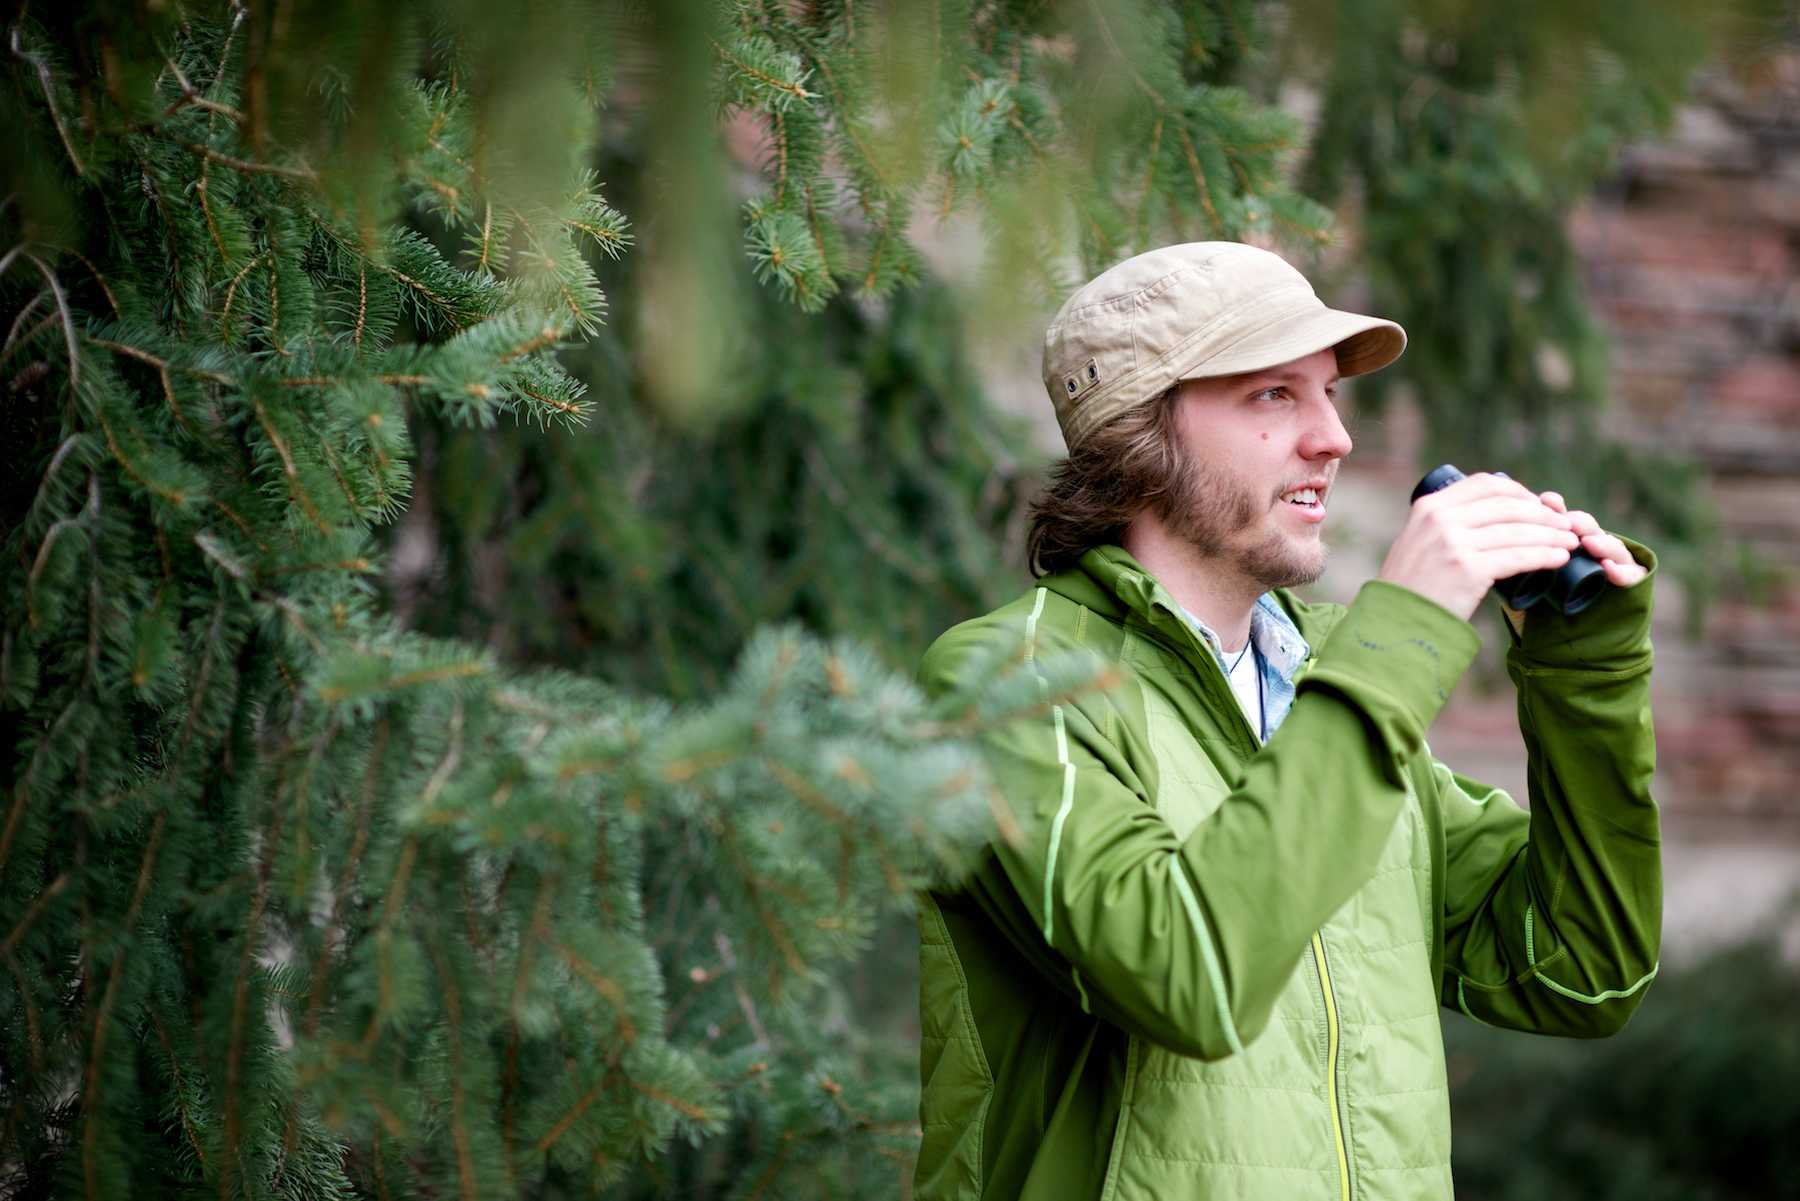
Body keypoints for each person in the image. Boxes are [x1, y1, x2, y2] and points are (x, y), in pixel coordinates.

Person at [913, 242, 1660, 1201]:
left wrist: (1583, 665)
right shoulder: (1011, 680)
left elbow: (1577, 970)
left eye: (1329, 394)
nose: (1333, 438)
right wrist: (1406, 630)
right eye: (1274, 395)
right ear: (1141, 430)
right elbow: (1185, 975)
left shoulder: (1328, 685)